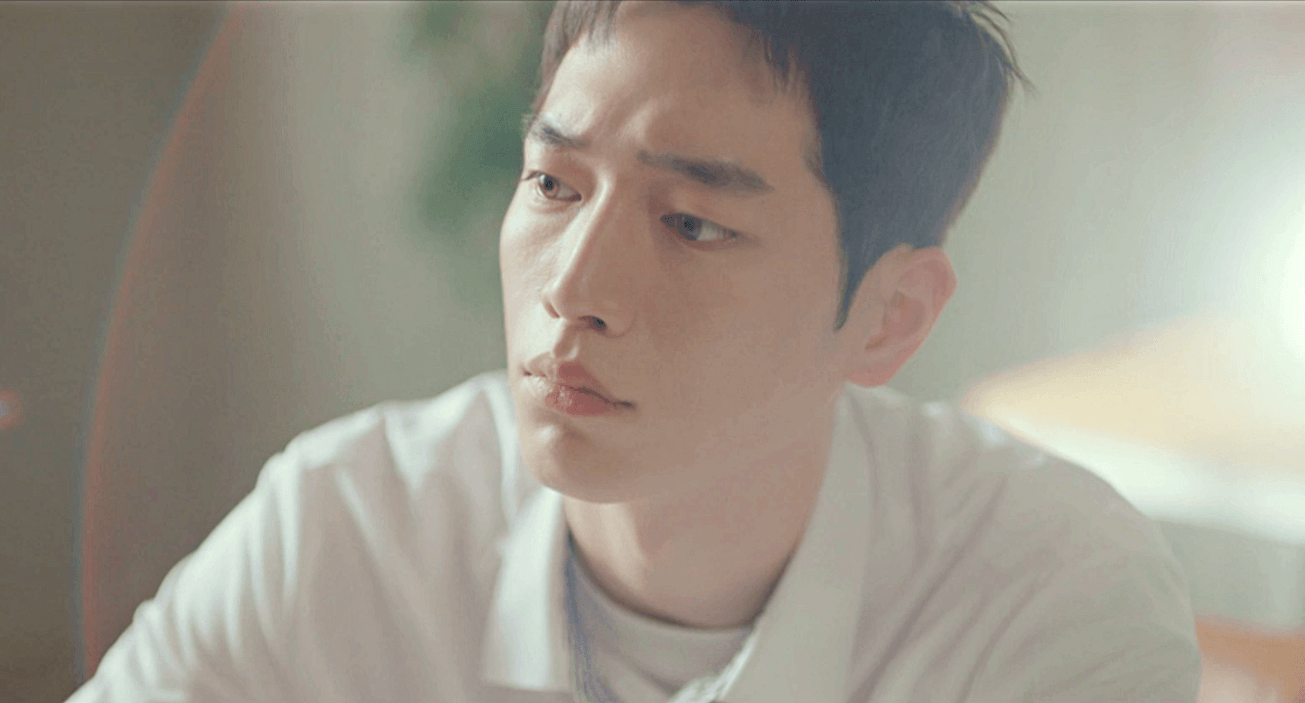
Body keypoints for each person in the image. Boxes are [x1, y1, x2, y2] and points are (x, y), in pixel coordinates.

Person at [68, 1, 1202, 701]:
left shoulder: (1045, 600)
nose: (572, 289)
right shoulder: (347, 530)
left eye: (693, 223)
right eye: (552, 185)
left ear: (889, 316)